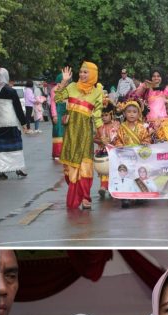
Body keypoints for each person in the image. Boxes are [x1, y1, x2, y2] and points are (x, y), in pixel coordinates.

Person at [53, 63, 104, 208]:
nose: (82, 75)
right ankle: (76, 195)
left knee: (85, 166)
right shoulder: (72, 87)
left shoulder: (97, 93)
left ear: (93, 74)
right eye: (81, 72)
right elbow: (57, 98)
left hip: (85, 134)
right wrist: (64, 81)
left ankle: (85, 198)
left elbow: (97, 117)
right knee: (69, 166)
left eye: (86, 72)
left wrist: (102, 135)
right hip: (70, 133)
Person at [0, 68, 28, 179]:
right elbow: (18, 109)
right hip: (10, 122)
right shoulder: (11, 91)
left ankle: (0, 170)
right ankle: (19, 168)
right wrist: (24, 124)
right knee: (15, 146)